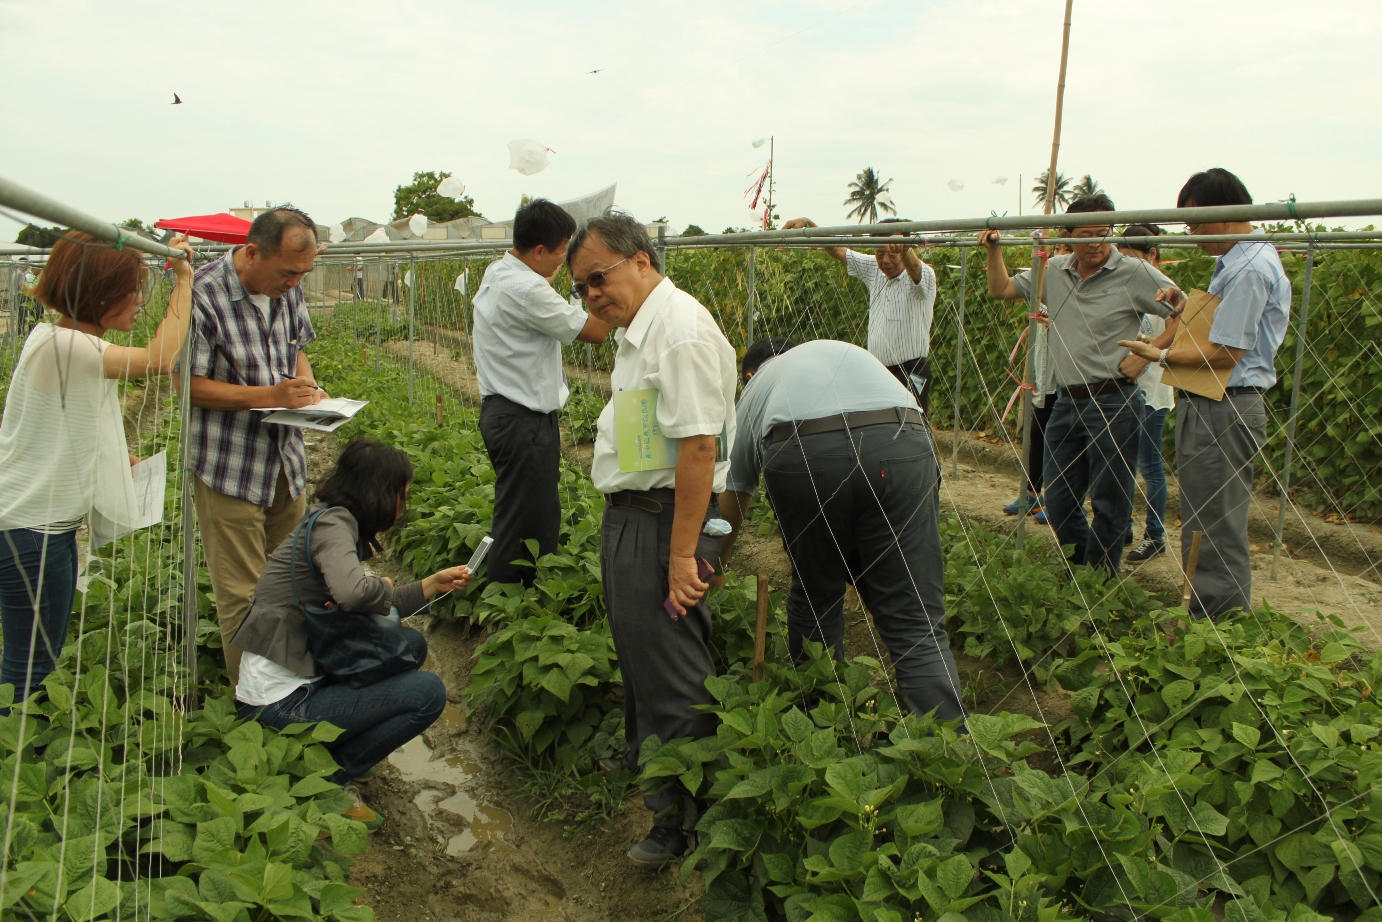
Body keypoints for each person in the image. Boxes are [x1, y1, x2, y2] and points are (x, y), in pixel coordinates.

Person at [569, 213, 737, 867]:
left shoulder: (680, 331)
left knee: (673, 670)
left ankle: (689, 821)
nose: (591, 296)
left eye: (597, 278)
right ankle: (651, 765)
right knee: (641, 652)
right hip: (637, 519)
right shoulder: (640, 332)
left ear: (641, 259)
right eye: (582, 288)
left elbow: (699, 447)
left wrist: (679, 556)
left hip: (671, 525)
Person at [719, 338, 966, 723]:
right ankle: (948, 755)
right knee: (914, 620)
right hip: (902, 443)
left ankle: (821, 728)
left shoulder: (758, 386)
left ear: (748, 375)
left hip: (806, 451)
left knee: (816, 598)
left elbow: (735, 490)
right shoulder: (847, 354)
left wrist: (716, 564)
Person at [233, 439, 471, 830]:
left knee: (410, 645)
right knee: (428, 694)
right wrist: (384, 583)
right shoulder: (333, 527)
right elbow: (353, 594)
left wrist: (430, 584)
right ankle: (330, 779)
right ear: (379, 493)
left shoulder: (328, 518)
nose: (403, 505)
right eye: (402, 495)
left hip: (298, 676)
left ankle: (334, 749)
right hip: (278, 706)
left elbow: (366, 607)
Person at [0, 232, 193, 702]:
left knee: (36, 656)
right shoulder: (67, 345)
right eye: (133, 291)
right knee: (30, 665)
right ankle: (12, 750)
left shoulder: (60, 338)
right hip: (30, 535)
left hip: (43, 529)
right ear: (101, 293)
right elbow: (159, 359)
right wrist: (184, 280)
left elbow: (75, 417)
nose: (138, 301)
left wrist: (113, 455)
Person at [1120, 168, 1290, 618]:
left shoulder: (1249, 268)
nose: (1193, 236)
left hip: (1225, 404)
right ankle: (1208, 621)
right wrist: (1182, 308)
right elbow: (1220, 330)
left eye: (1197, 224)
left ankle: (1221, 630)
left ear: (1228, 212)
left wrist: (1157, 355)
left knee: (1216, 526)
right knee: (1203, 519)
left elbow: (1224, 353)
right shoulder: (1235, 262)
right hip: (1212, 403)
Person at [981, 194, 1180, 577]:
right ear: (1067, 236)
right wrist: (994, 251)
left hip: (1114, 400)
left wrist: (1149, 352)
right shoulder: (1053, 269)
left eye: (1104, 234)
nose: (1096, 244)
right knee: (1058, 499)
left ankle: (1097, 581)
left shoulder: (1135, 272)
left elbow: (1186, 310)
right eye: (1086, 235)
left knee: (1110, 501)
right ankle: (1084, 572)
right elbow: (1001, 289)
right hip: (1067, 401)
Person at [184, 206, 326, 687]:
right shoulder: (203, 294)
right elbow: (188, 386)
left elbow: (297, 348)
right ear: (251, 253)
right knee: (243, 593)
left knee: (291, 583)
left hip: (285, 463)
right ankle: (255, 704)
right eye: (288, 272)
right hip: (231, 468)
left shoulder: (288, 290)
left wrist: (307, 388)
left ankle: (290, 683)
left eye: (303, 273)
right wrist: (270, 397)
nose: (294, 283)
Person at [472, 199, 611, 586]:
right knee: (526, 523)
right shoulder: (528, 291)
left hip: (504, 414)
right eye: (561, 252)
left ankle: (514, 597)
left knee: (521, 513)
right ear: (538, 251)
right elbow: (597, 332)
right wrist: (594, 284)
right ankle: (513, 602)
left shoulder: (499, 271)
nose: (563, 262)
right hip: (523, 422)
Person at [781, 216, 937, 411]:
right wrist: (809, 226)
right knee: (880, 423)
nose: (885, 260)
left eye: (892, 254)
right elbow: (837, 249)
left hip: (911, 370)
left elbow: (914, 267)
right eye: (880, 253)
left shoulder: (924, 276)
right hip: (878, 369)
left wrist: (905, 248)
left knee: (912, 422)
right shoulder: (873, 269)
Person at [1117, 225, 1174, 563]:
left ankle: (1155, 535)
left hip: (1153, 392)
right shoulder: (1130, 288)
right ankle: (1122, 526)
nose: (1126, 266)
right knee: (1121, 461)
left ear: (1152, 255)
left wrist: (1146, 352)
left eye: (1132, 258)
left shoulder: (1167, 293)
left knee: (1150, 466)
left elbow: (1179, 331)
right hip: (1127, 391)